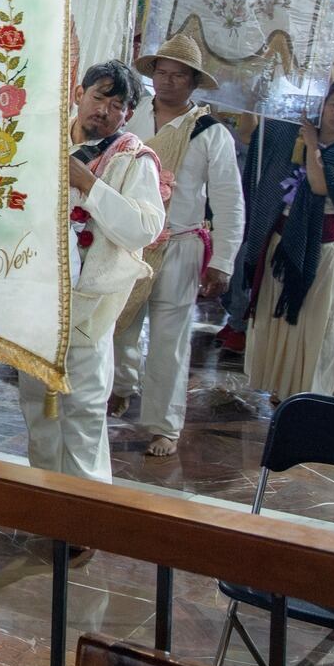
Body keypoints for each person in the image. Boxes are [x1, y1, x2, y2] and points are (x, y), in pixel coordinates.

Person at [19, 62, 164, 488]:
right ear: (79, 93)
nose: (103, 110)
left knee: (81, 411)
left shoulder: (133, 159)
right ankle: (44, 508)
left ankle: (81, 519)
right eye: (99, 97)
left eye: (116, 105)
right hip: (35, 299)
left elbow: (144, 227)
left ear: (128, 115)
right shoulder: (40, 140)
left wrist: (90, 186)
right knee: (35, 407)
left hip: (90, 308)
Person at [109, 35, 244, 458]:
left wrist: (222, 260)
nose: (168, 82)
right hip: (129, 240)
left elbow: (227, 199)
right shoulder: (130, 120)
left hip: (181, 243)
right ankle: (120, 386)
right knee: (116, 325)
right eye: (162, 73)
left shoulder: (209, 132)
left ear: (193, 82)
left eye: (178, 76)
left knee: (170, 338)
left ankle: (163, 424)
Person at [244, 78, 334, 403]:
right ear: (323, 104)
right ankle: (280, 385)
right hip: (283, 239)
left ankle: (307, 391)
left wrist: (312, 144)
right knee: (280, 314)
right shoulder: (296, 133)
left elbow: (319, 185)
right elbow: (262, 140)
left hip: (324, 249)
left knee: (315, 321)